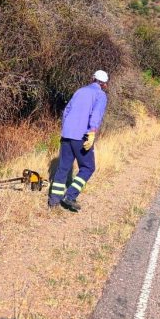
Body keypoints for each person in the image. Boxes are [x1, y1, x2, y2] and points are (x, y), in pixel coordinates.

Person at [48, 70, 109, 212]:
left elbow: (66, 111)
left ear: (92, 78)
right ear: (104, 84)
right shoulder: (100, 95)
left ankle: (54, 201)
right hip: (82, 137)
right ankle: (70, 196)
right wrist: (92, 132)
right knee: (88, 168)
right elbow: (96, 115)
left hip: (67, 135)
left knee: (63, 168)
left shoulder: (80, 91)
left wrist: (66, 128)